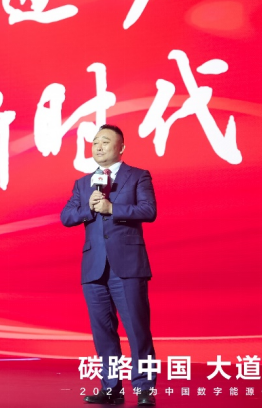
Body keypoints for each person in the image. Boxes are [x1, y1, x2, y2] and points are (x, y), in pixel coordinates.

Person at [61, 124, 157, 407]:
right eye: (94, 143)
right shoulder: (83, 183)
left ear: (121, 147)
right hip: (94, 268)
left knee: (138, 330)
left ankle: (145, 389)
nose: (98, 147)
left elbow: (149, 210)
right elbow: (66, 217)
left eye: (105, 141)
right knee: (103, 332)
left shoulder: (138, 176)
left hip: (127, 266)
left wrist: (113, 209)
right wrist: (88, 208)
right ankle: (112, 388)